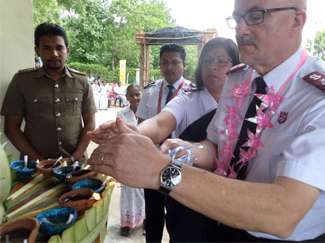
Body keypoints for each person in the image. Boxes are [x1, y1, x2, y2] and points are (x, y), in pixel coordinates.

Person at [88, 0, 325, 242]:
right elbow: (216, 148)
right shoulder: (239, 78)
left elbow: (284, 213)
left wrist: (159, 170)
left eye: (256, 16)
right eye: (237, 18)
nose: (241, 29)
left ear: (296, 21)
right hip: (222, 227)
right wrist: (188, 152)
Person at [89, 37, 240, 241]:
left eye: (222, 61)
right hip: (184, 185)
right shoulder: (188, 98)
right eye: (207, 60)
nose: (213, 67)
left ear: (237, 66)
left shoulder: (245, 103)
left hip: (231, 194)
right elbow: (160, 124)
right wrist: (132, 133)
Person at [1, 22, 96, 161]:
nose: (54, 54)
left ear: (67, 51)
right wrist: (39, 161)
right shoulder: (21, 81)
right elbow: (11, 127)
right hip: (34, 168)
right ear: (37, 51)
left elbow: (90, 124)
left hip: (75, 166)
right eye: (46, 48)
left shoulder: (81, 81)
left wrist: (73, 158)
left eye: (59, 48)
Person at [136, 43, 194, 242]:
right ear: (160, 64)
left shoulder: (193, 92)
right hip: (152, 162)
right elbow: (141, 126)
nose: (169, 67)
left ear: (184, 64)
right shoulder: (150, 91)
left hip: (178, 165)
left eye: (175, 62)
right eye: (165, 62)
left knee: (177, 215)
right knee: (153, 215)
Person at [116, 84, 146, 237]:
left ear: (142, 95)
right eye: (131, 95)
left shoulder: (149, 113)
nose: (135, 98)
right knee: (127, 190)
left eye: (138, 94)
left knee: (144, 190)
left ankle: (146, 219)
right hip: (127, 158)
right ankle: (126, 222)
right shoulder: (121, 114)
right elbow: (118, 134)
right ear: (126, 97)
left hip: (144, 158)